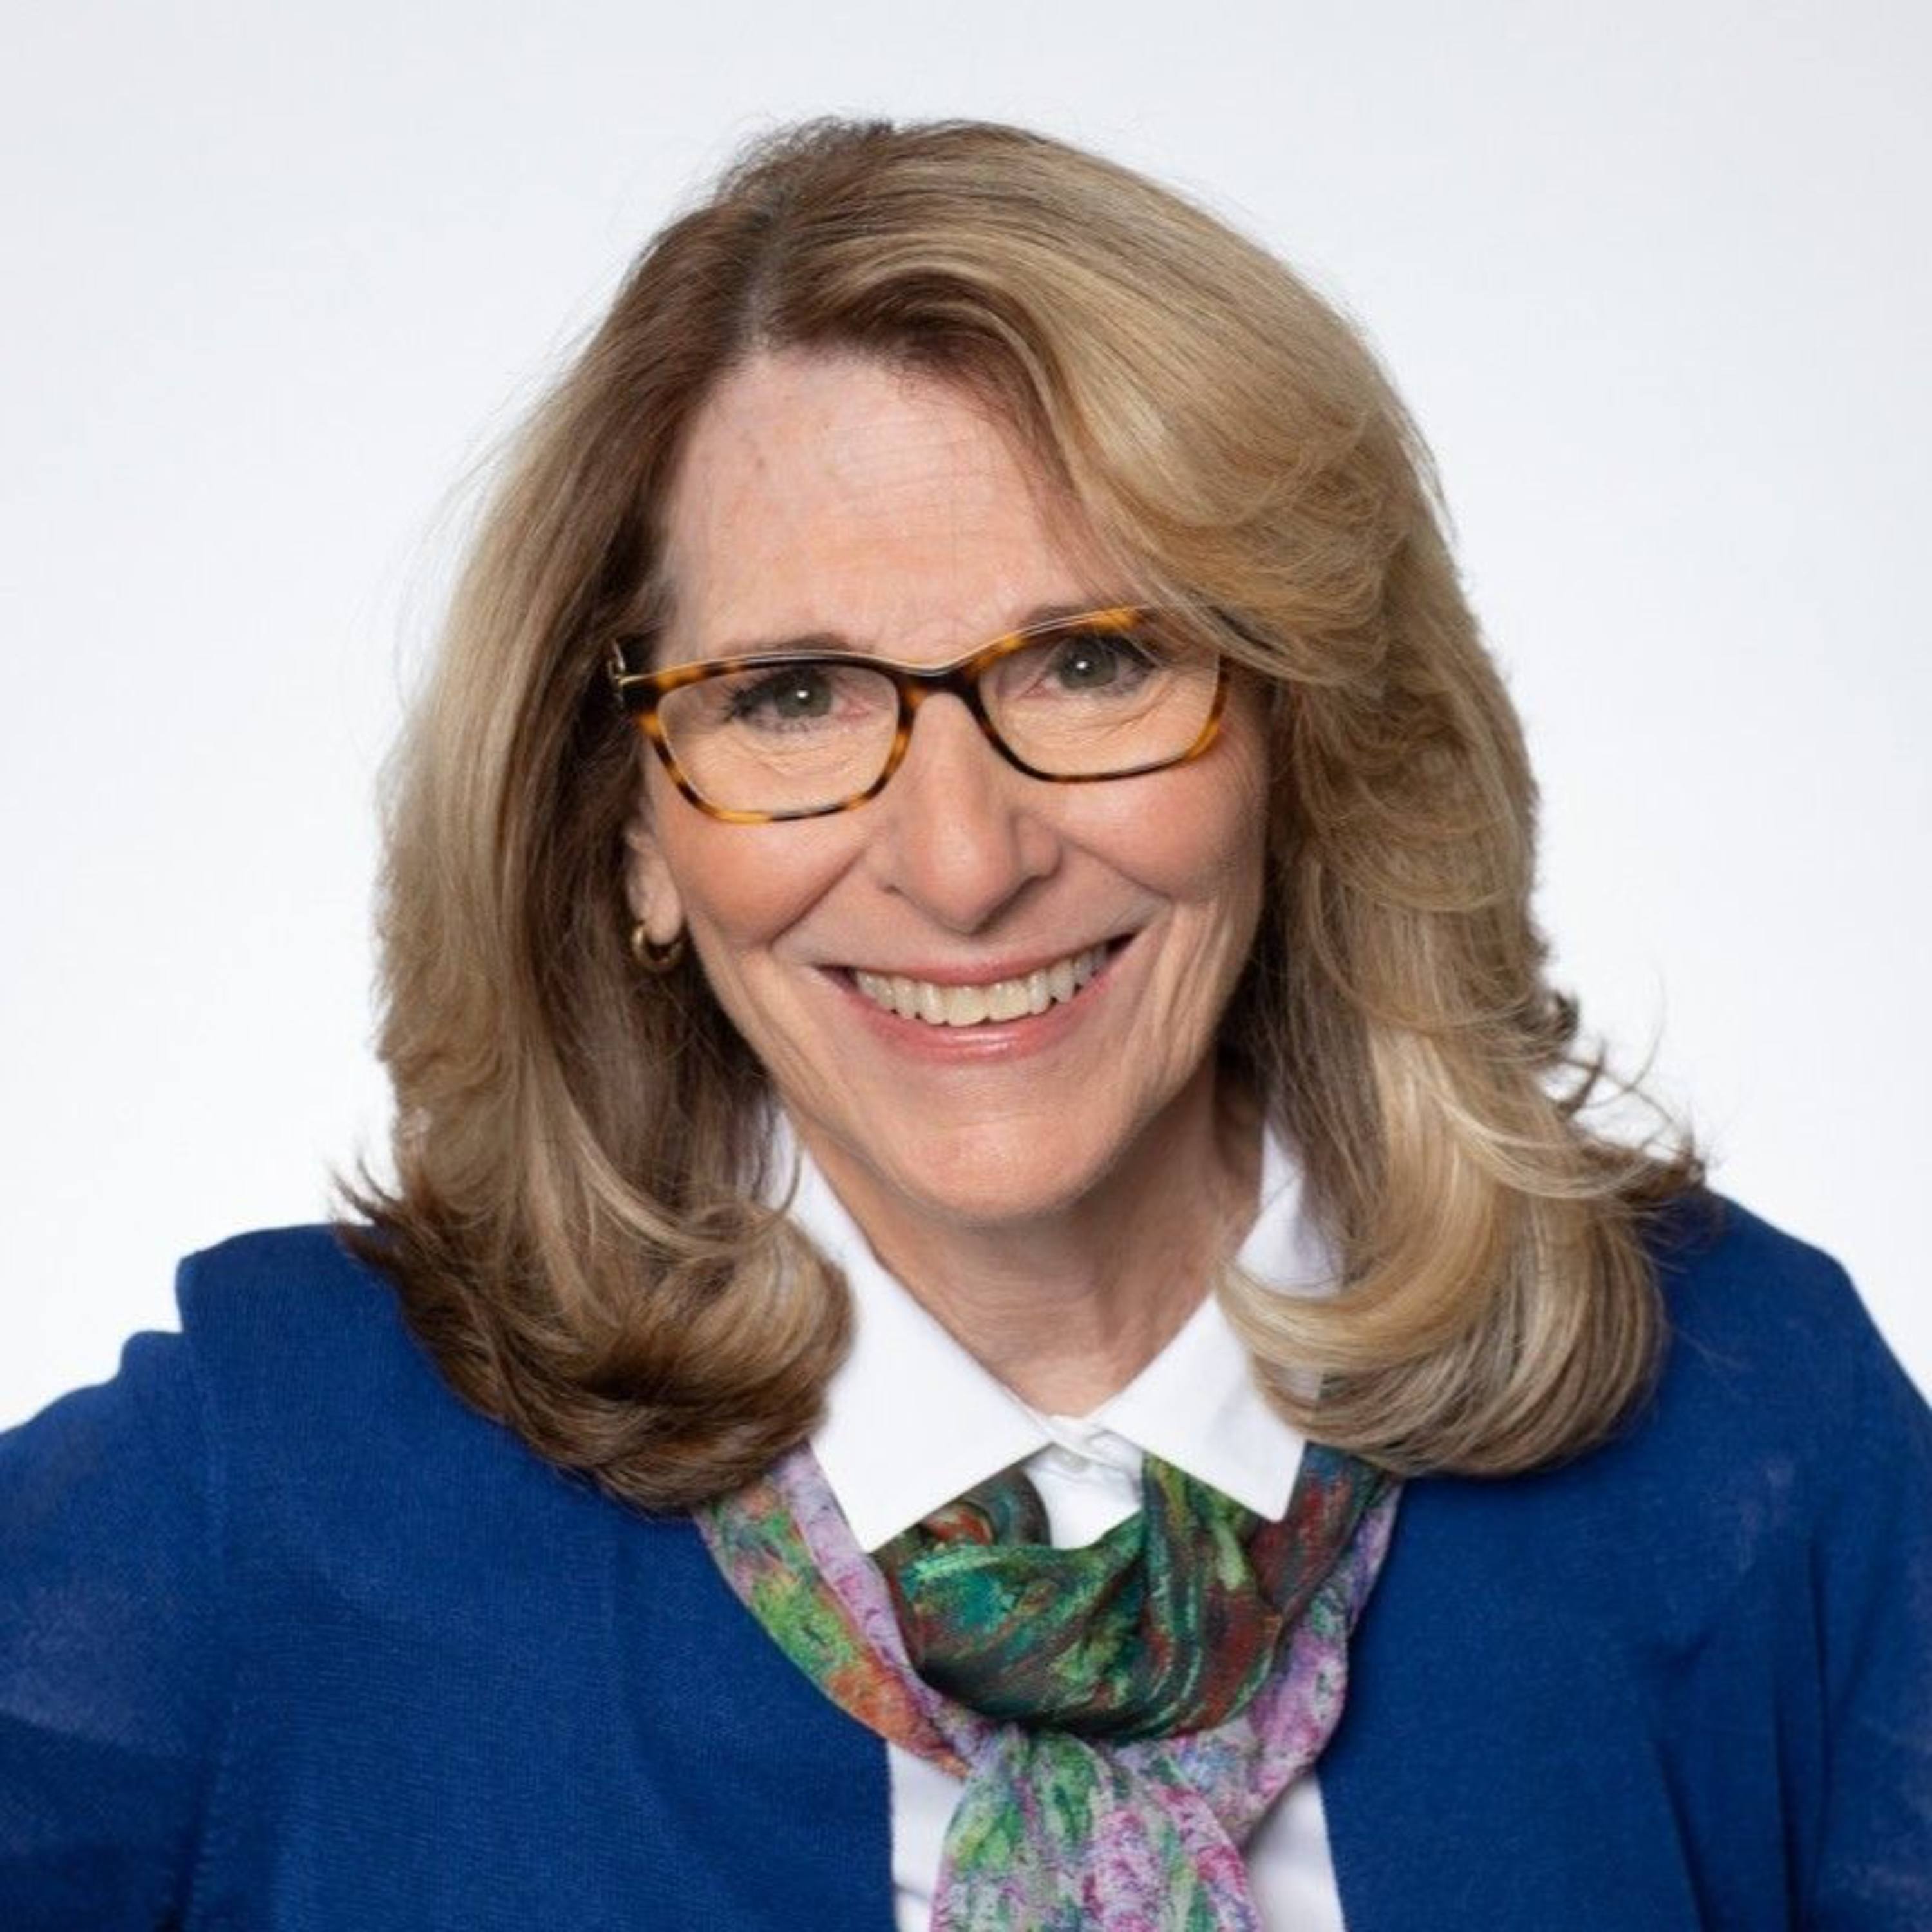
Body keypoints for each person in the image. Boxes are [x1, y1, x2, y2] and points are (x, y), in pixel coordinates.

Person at [3, 117, 1927, 1931]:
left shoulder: (1756, 1433)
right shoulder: (276, 1482)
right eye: (791, 697)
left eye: (1093, 662)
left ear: (1308, 734)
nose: (963, 862)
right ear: (630, 826)